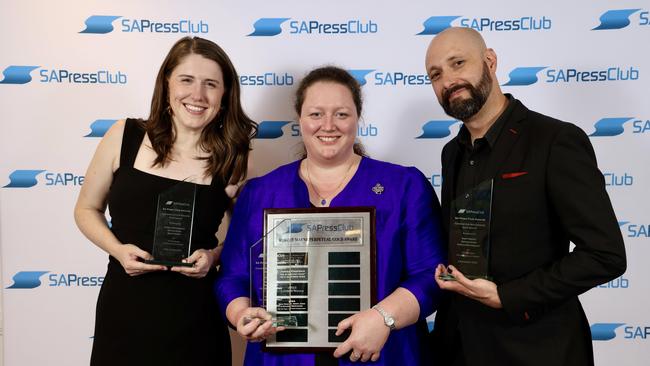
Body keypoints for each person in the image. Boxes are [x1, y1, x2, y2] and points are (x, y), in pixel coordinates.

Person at [215, 66, 445, 365]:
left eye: (341, 114)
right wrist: (241, 313)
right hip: (284, 357)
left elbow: (430, 275)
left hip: (382, 355)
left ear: (357, 119)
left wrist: (382, 318)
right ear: (300, 120)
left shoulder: (404, 186)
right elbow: (232, 277)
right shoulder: (260, 193)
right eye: (316, 114)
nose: (328, 125)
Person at [424, 27, 627, 365]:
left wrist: (509, 296)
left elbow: (605, 255)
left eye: (458, 63)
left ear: (490, 61)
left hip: (538, 348)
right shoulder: (452, 153)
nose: (448, 80)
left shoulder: (555, 140)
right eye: (436, 74)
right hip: (461, 346)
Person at [74, 36, 257, 365]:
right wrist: (118, 250)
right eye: (186, 80)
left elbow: (241, 237)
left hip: (196, 318)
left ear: (225, 95)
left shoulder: (232, 156)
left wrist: (213, 255)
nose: (197, 95)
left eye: (210, 84)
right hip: (124, 308)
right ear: (167, 83)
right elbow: (86, 209)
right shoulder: (124, 136)